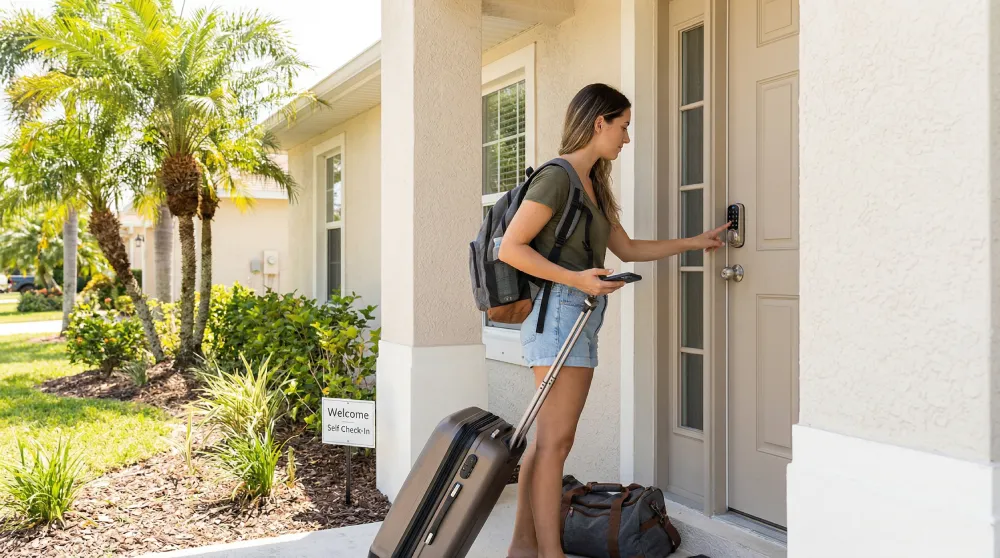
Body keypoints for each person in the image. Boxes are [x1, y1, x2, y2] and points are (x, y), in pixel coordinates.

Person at [497, 83, 729, 558]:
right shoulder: (557, 178)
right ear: (598, 122)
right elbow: (511, 248)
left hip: (578, 315)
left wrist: (694, 241)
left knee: (549, 443)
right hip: (560, 313)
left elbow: (627, 249)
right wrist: (578, 280)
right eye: (623, 126)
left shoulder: (593, 184)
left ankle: (525, 547)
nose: (626, 138)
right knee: (555, 443)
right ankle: (548, 553)